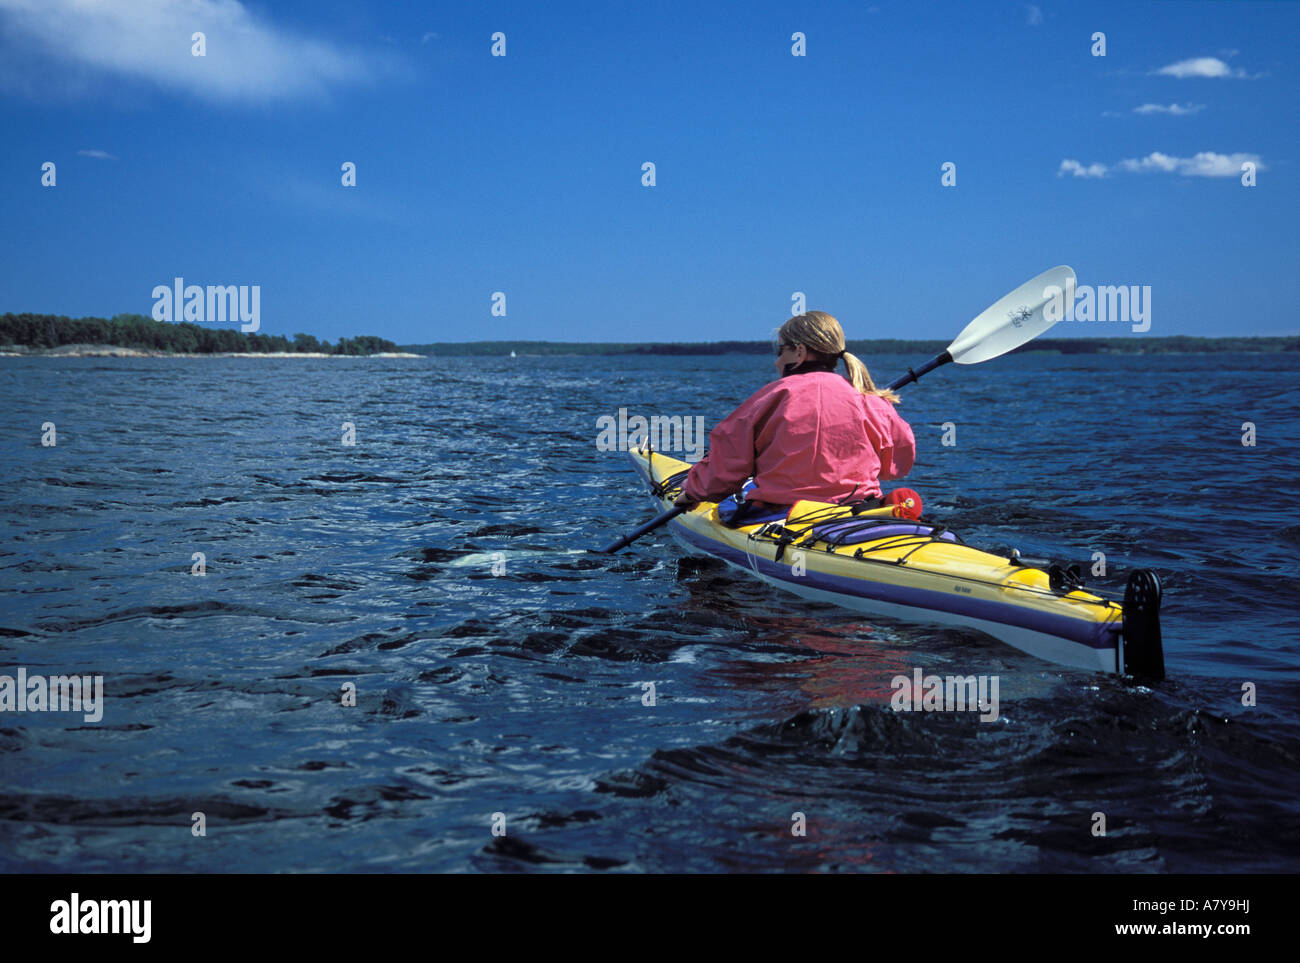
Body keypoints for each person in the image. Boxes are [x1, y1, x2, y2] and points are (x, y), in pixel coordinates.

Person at [673, 311, 915, 513]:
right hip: (857, 511)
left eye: (781, 352)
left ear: (799, 352)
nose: (777, 362)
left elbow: (726, 467)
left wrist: (693, 491)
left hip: (783, 513)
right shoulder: (870, 400)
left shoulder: (773, 396)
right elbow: (897, 465)